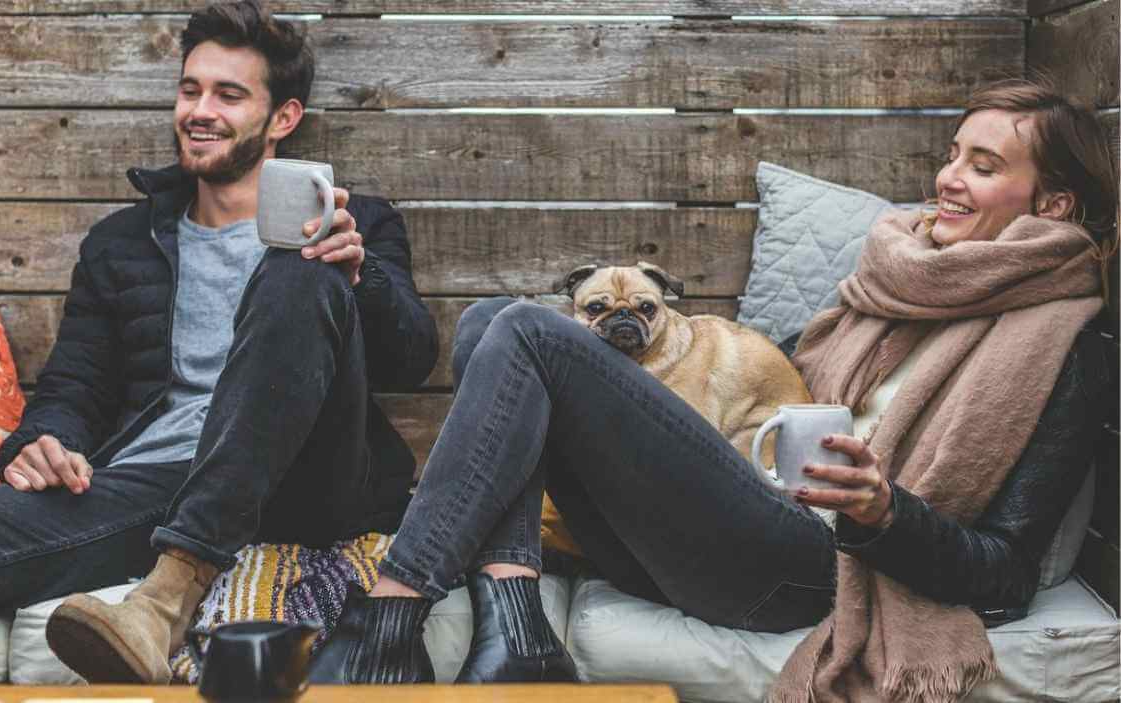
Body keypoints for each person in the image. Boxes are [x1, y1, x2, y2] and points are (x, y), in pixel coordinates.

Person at [306, 78, 1115, 701]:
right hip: (735, 521)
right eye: (952, 154)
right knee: (489, 321)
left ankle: (387, 615)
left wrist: (885, 513)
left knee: (523, 329)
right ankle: (516, 620)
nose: (948, 179)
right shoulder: (904, 279)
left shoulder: (1059, 341)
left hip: (814, 565)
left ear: (1052, 203)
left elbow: (1006, 573)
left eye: (984, 165)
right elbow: (792, 384)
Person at [0, 0, 437, 685]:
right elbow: (74, 390)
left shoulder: (356, 220)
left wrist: (358, 271)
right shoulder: (120, 246)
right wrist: (38, 443)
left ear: (282, 117)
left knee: (299, 260)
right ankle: (183, 555)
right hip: (156, 489)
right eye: (190, 89)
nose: (200, 110)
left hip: (304, 481)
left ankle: (169, 592)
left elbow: (413, 356)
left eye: (229, 94)